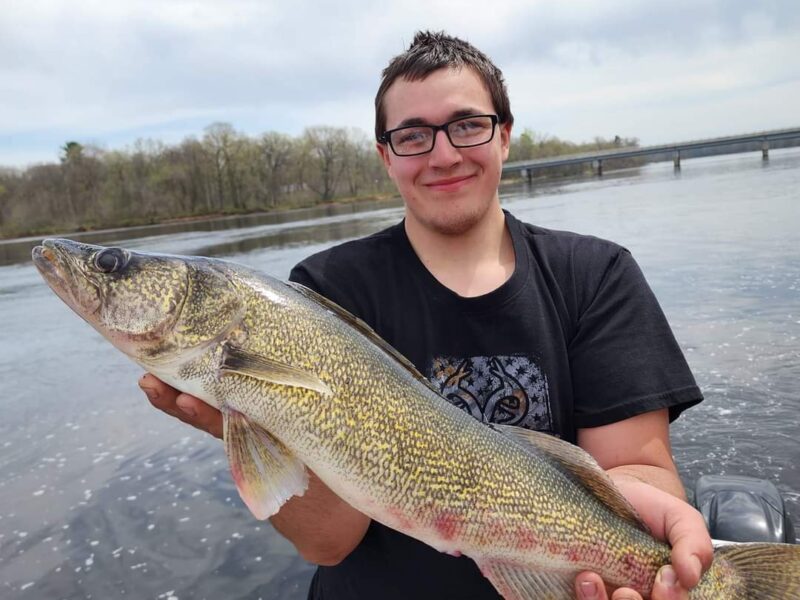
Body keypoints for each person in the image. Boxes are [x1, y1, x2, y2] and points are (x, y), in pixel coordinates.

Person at [139, 31, 713, 600]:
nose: (443, 155)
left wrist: (645, 545)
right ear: (386, 156)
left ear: (505, 135)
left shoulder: (596, 274)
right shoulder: (327, 292)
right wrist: (259, 424)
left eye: (466, 125)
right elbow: (328, 544)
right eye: (413, 135)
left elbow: (636, 466)